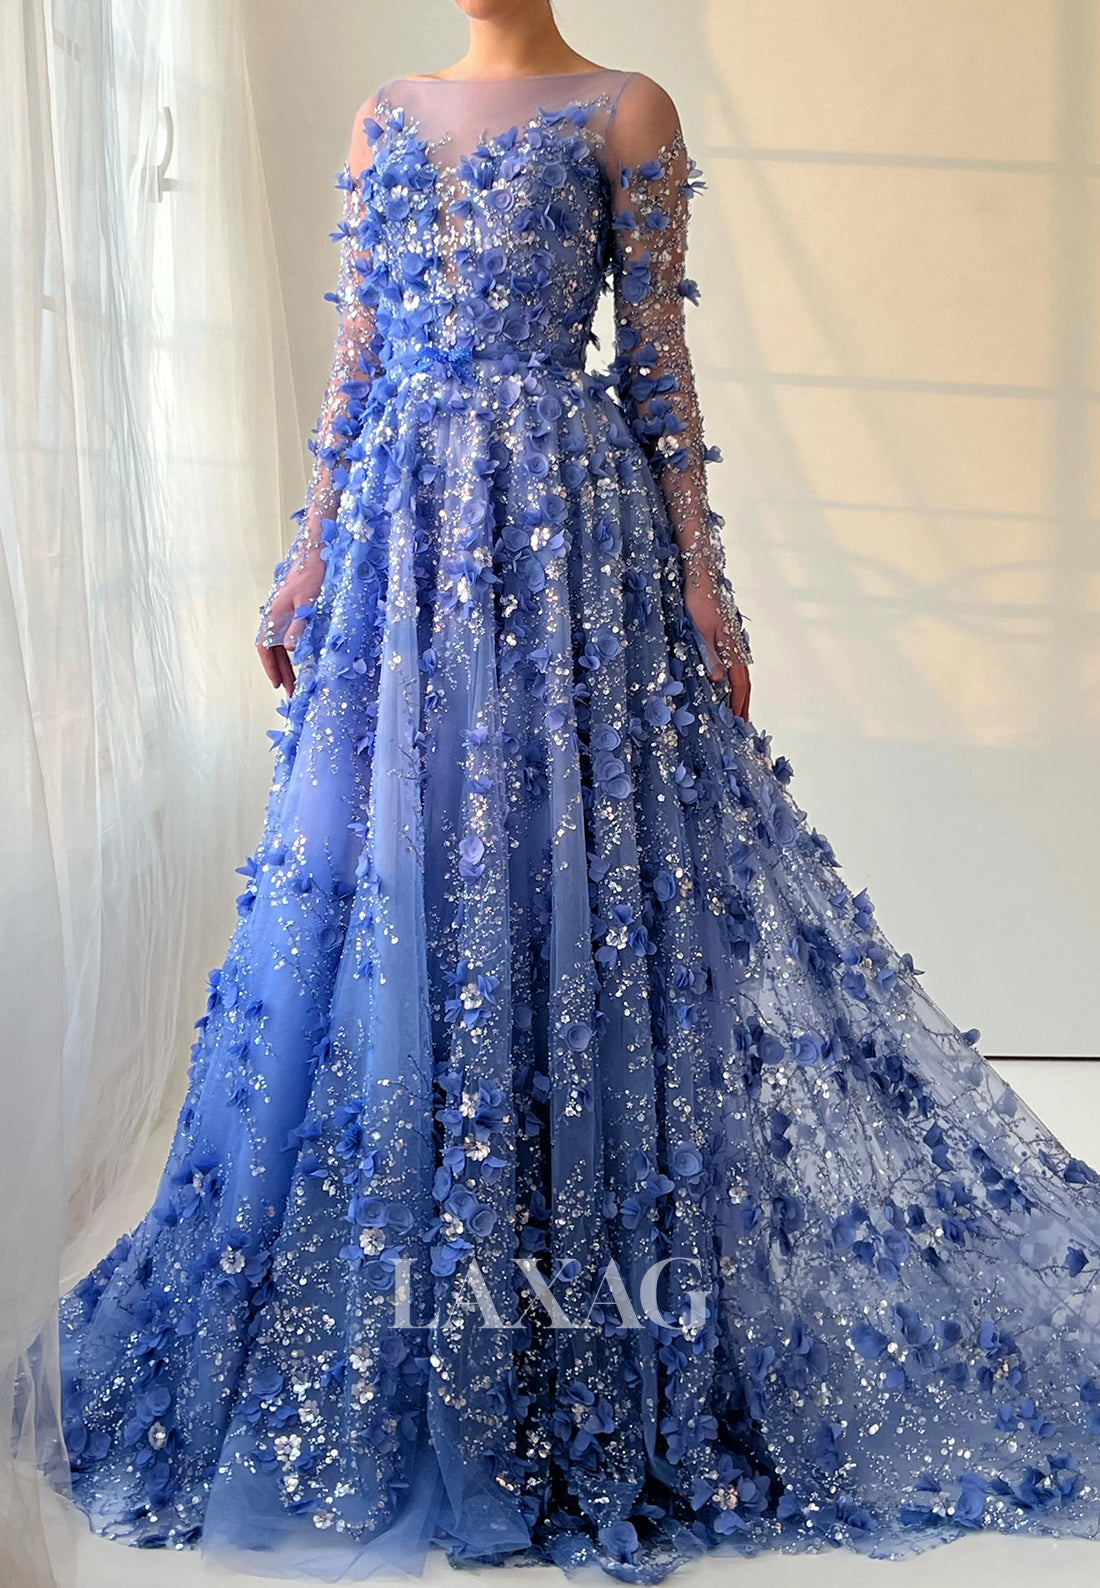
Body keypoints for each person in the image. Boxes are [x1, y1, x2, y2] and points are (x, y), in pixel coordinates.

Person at [45, 1, 1100, 1581]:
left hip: (565, 541)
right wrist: (310, 554)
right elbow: (357, 363)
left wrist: (705, 586)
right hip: (406, 545)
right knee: (407, 887)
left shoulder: (628, 107)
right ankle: (426, 1288)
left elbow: (659, 370)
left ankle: (577, 1306)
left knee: (563, 880)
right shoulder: (384, 116)